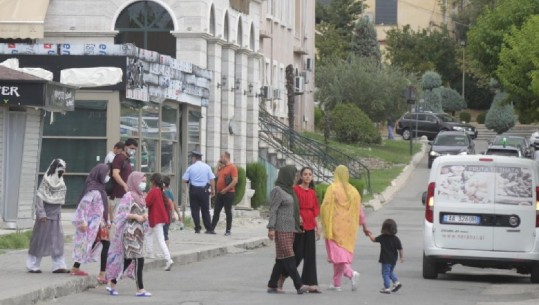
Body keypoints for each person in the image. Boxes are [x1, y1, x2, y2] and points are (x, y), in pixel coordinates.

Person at [320, 165, 370, 292]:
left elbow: (325, 207)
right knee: (339, 256)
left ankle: (350, 273)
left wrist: (322, 223)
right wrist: (364, 226)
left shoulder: (332, 189)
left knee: (338, 256)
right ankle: (337, 283)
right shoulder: (354, 192)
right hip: (348, 230)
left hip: (334, 228)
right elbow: (360, 211)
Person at [106, 171, 151, 297]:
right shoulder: (128, 196)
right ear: (135, 181)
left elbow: (143, 211)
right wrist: (136, 216)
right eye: (142, 181)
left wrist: (145, 216)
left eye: (144, 181)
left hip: (139, 233)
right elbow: (120, 214)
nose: (144, 183)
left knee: (128, 260)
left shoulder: (141, 196)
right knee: (139, 259)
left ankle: (112, 282)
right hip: (129, 232)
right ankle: (140, 289)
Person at [266, 165, 310, 295]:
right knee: (290, 257)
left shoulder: (290, 190)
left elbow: (293, 208)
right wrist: (271, 228)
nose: (295, 177)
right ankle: (299, 285)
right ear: (286, 175)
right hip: (281, 228)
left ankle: (272, 284)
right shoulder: (277, 191)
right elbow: (273, 210)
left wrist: (298, 219)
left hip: (291, 229)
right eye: (294, 175)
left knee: (281, 259)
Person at [281, 167, 321, 292]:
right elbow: (290, 206)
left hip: (310, 225)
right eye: (305, 174)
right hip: (298, 226)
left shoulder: (312, 192)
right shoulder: (295, 190)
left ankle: (310, 284)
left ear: (312, 177)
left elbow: (315, 211)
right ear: (301, 177)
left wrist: (318, 227)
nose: (308, 176)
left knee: (310, 256)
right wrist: (297, 217)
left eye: (310, 174)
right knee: (297, 254)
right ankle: (282, 276)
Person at [26, 159, 70, 274]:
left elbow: (60, 201)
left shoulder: (61, 182)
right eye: (60, 170)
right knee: (39, 241)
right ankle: (33, 265)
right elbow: (40, 198)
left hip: (56, 217)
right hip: (44, 218)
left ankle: (59, 265)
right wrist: (41, 214)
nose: (62, 173)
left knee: (57, 241)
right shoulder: (46, 181)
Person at [71, 164, 111, 283]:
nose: (108, 176)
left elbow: (103, 206)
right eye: (106, 174)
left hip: (100, 222)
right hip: (91, 223)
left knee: (97, 243)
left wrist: (107, 219)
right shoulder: (93, 190)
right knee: (103, 244)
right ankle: (102, 274)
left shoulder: (100, 189)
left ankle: (76, 267)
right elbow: (82, 206)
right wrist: (81, 221)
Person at [145, 173, 175, 271]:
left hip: (155, 218)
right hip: (161, 218)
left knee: (160, 239)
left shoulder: (153, 191)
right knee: (148, 233)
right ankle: (150, 253)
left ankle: (168, 259)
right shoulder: (160, 191)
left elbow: (146, 203)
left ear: (153, 181)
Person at [182, 151, 216, 234]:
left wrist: (190, 180)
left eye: (192, 158)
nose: (192, 159)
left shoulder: (190, 168)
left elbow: (184, 180)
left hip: (193, 190)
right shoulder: (207, 167)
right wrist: (213, 190)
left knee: (195, 210)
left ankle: (197, 228)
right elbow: (212, 179)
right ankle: (209, 228)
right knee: (205, 210)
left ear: (194, 158)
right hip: (204, 190)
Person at [368, 218, 404, 294]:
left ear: (384, 229)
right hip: (393, 260)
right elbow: (400, 249)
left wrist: (370, 235)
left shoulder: (383, 237)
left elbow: (374, 239)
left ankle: (387, 287)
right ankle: (396, 282)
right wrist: (401, 257)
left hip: (385, 259)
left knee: (385, 273)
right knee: (390, 271)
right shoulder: (396, 239)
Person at [211, 151, 238, 236]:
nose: (220, 159)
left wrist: (226, 189)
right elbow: (215, 175)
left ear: (226, 157)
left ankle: (228, 230)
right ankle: (211, 228)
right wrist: (217, 165)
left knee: (228, 211)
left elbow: (235, 181)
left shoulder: (232, 167)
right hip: (220, 192)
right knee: (216, 211)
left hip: (228, 193)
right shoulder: (222, 167)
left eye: (221, 157)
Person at [110, 138, 137, 213]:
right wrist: (124, 184)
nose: (133, 151)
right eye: (131, 148)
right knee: (118, 219)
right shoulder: (119, 158)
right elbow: (115, 174)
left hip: (125, 195)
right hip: (119, 195)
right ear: (125, 147)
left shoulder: (127, 160)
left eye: (135, 149)